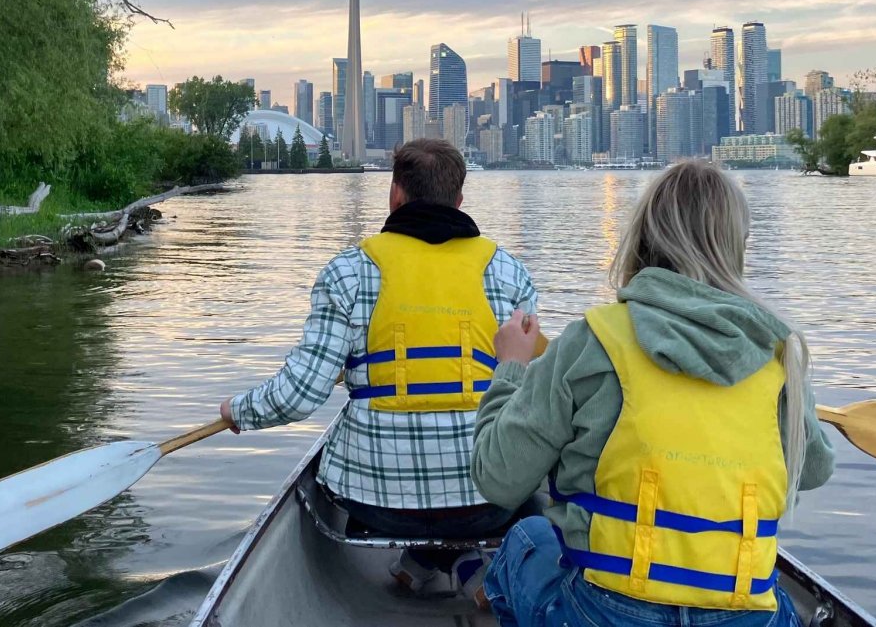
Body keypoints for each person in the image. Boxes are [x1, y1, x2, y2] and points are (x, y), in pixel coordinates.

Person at [471, 160, 835, 627]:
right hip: (748, 617)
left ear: (643, 237)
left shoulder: (592, 342)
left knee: (526, 538)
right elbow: (814, 469)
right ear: (736, 247)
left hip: (606, 614)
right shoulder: (776, 354)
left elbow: (498, 479)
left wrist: (511, 367)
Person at [220, 137, 538, 594]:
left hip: (375, 505)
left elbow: (299, 395)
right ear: (459, 199)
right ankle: (463, 563)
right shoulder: (510, 273)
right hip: (488, 502)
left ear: (395, 194)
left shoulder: (347, 272)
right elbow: (530, 392)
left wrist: (239, 411)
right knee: (520, 484)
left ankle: (429, 559)